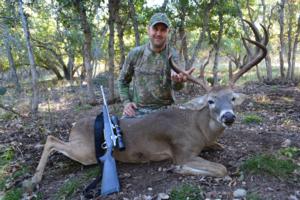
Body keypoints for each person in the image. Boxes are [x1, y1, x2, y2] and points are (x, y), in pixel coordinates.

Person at [118, 13, 194, 117]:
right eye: (155, 29)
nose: (158, 33)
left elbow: (177, 87)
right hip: (138, 110)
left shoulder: (173, 55)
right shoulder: (136, 54)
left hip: (166, 110)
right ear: (148, 30)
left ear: (168, 32)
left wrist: (178, 81)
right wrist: (126, 103)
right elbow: (122, 81)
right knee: (119, 131)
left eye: (163, 30)